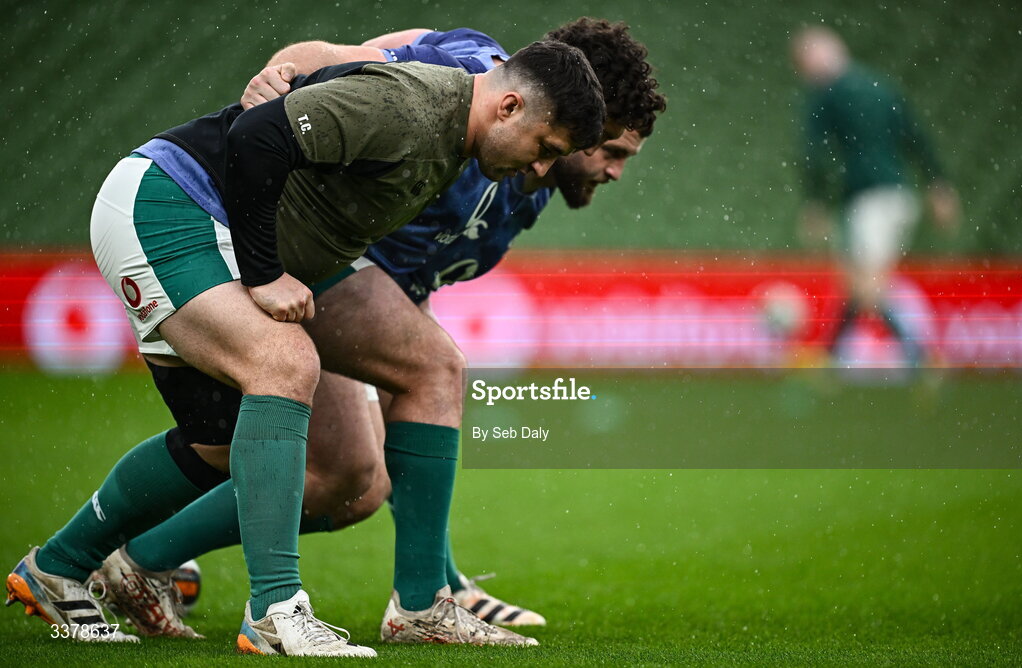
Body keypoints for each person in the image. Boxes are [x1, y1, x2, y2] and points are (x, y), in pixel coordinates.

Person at [6, 43, 605, 656]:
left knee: (419, 372)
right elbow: (257, 137)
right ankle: (274, 611)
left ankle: (59, 566)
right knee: (284, 363)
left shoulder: (458, 133)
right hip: (173, 203)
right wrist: (265, 273)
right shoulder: (412, 105)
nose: (541, 171)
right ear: (509, 105)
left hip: (267, 241)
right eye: (545, 149)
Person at [791, 26, 961, 367]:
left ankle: (921, 356)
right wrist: (938, 184)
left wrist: (815, 202)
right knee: (856, 282)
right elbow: (915, 135)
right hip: (899, 196)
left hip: (868, 198)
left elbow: (812, 153)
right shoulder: (880, 86)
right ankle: (830, 357)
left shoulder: (826, 93)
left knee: (868, 286)